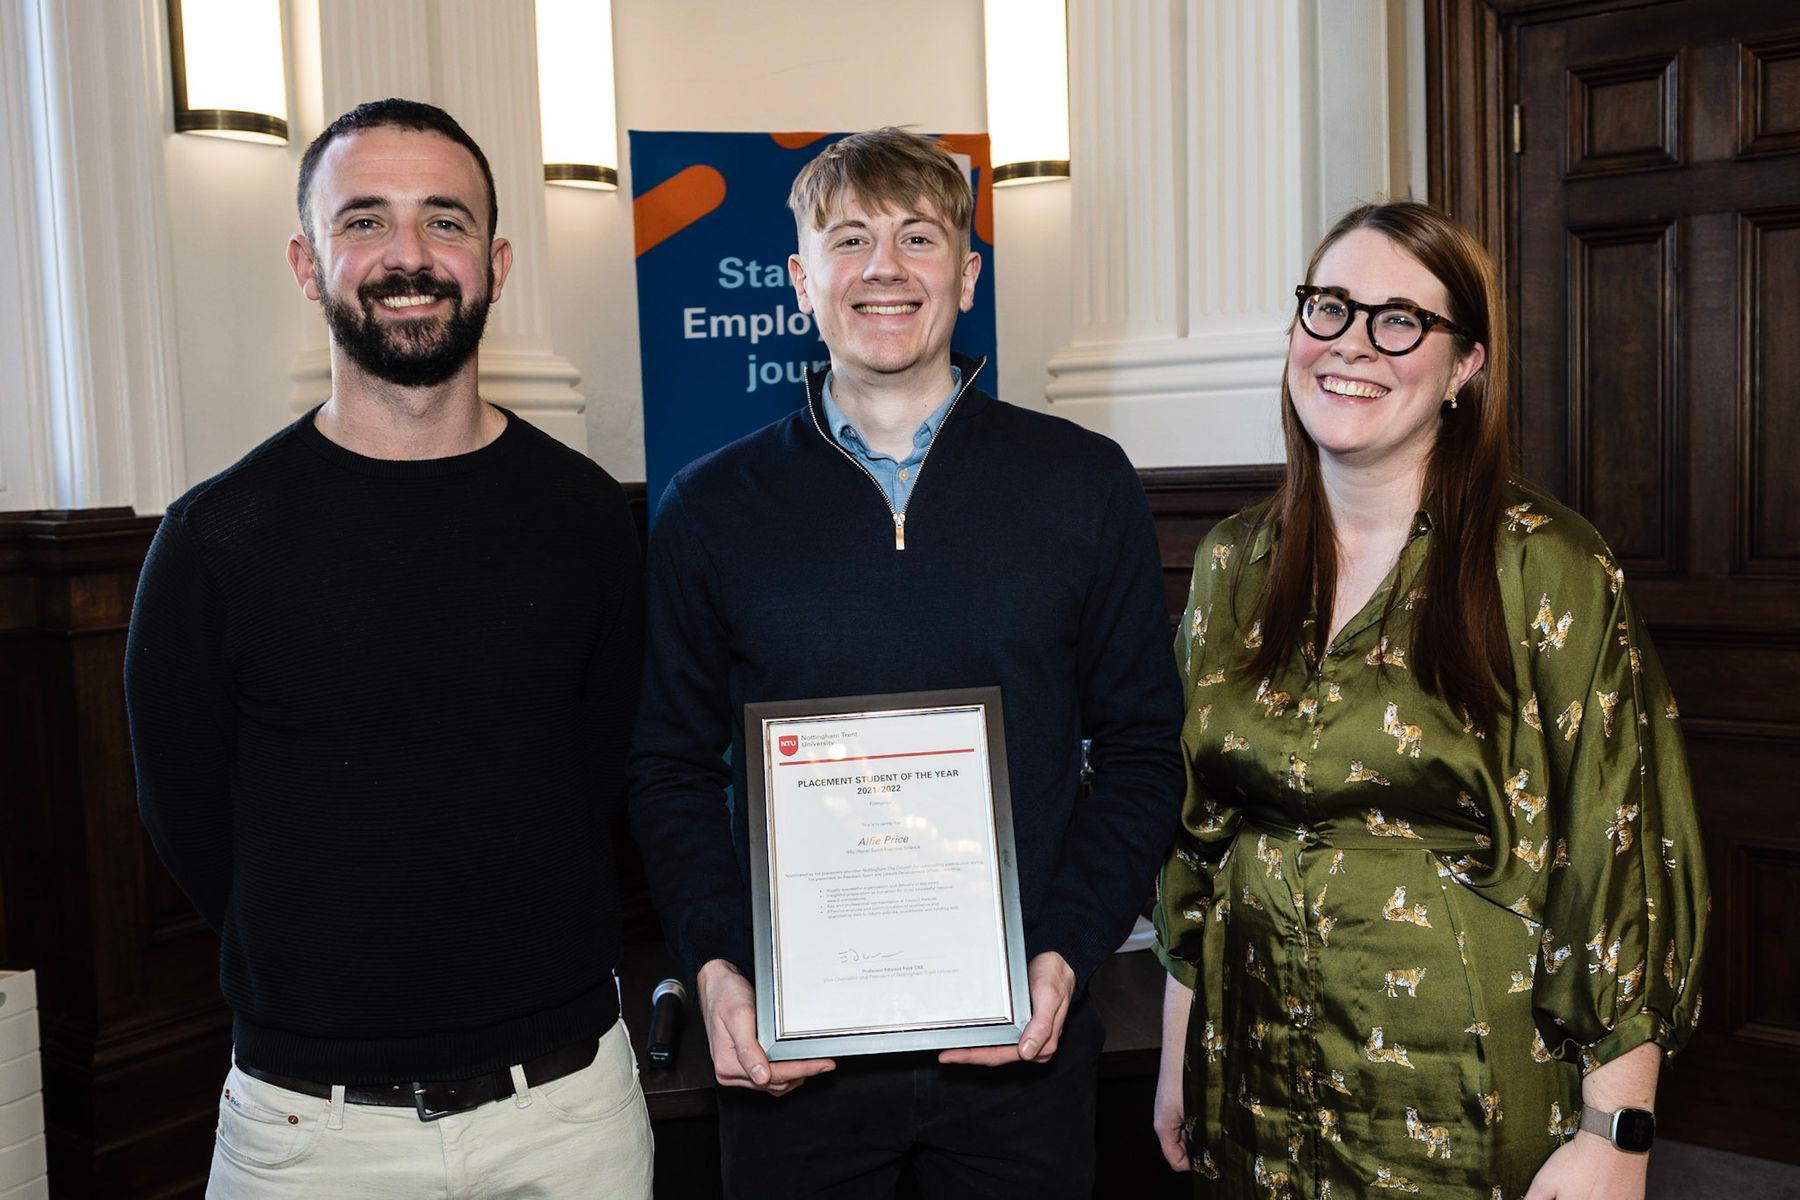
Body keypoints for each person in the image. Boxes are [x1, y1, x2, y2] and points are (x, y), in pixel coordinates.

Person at [628, 127, 1185, 1199]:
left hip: (1019, 1044)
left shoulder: (1083, 484)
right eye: (849, 241)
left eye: (918, 238)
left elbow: (1141, 751)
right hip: (796, 1063)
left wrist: (1065, 949)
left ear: (966, 276)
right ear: (800, 281)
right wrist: (717, 968)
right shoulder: (709, 508)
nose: (884, 269)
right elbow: (669, 768)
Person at [124, 99, 651, 1198]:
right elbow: (193, 826)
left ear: (495, 262)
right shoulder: (213, 542)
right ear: (307, 265)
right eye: (364, 221)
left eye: (445, 222)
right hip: (311, 1134)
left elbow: (607, 776)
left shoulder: (592, 522)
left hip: (568, 1117)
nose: (408, 257)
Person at [1151, 201, 1709, 1199]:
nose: (1352, 343)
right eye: (1329, 308)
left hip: (1463, 1099)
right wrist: (1174, 1058)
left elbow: (1618, 854)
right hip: (1253, 1080)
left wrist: (1616, 1136)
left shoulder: (1544, 563)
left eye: (1399, 319)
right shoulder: (1235, 562)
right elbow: (1199, 842)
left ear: (1463, 368)